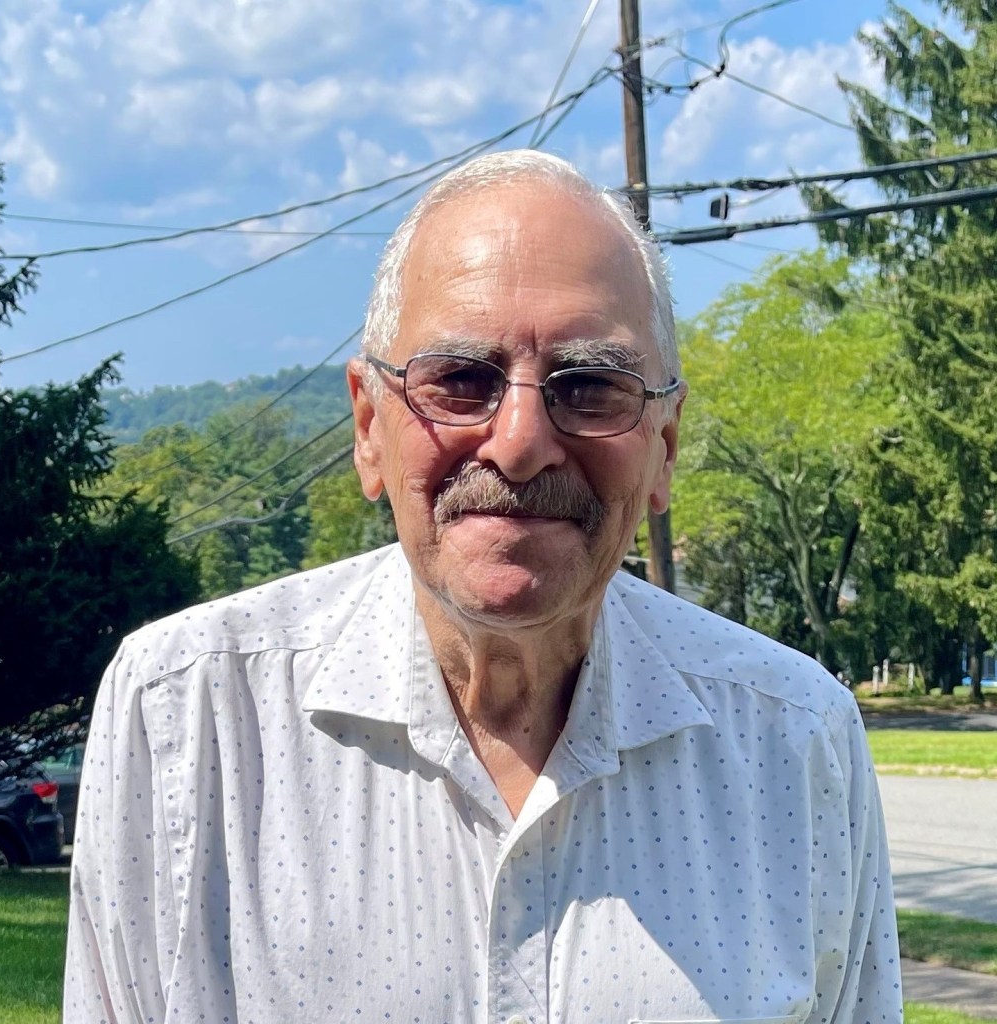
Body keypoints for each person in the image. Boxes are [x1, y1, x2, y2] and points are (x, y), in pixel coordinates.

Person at [64, 150, 902, 1023]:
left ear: (664, 445)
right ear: (368, 426)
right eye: (462, 381)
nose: (520, 442)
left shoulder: (795, 739)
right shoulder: (187, 715)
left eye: (590, 386)